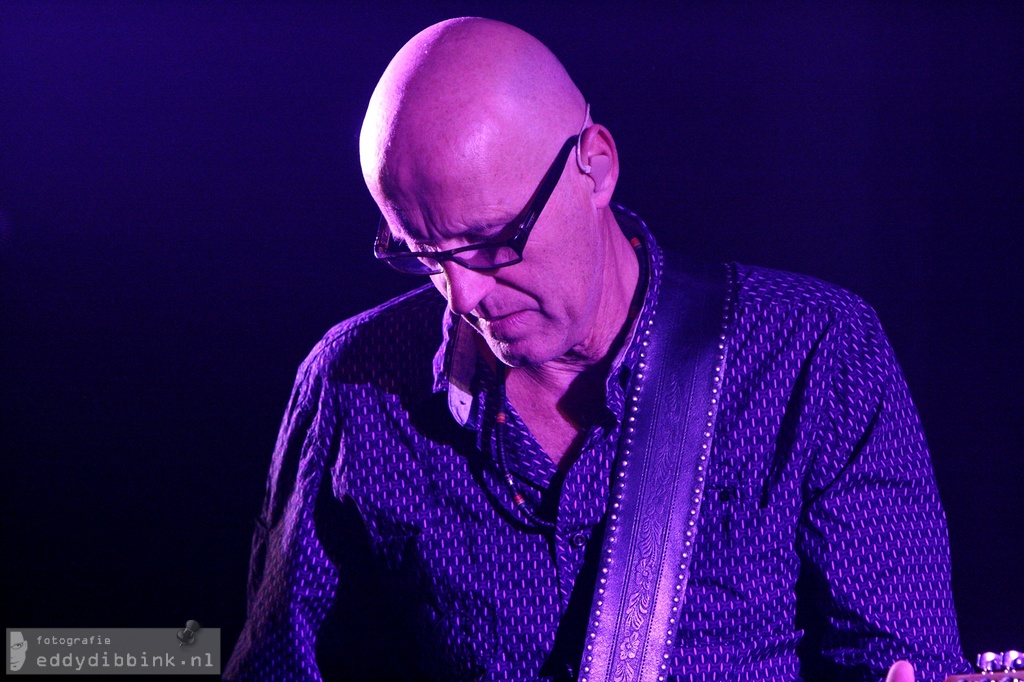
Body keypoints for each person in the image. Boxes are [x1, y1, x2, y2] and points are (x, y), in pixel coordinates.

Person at [226, 17, 968, 682]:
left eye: (490, 243)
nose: (465, 297)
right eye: (422, 255)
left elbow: (899, 656)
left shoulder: (814, 356)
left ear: (596, 165)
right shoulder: (352, 385)